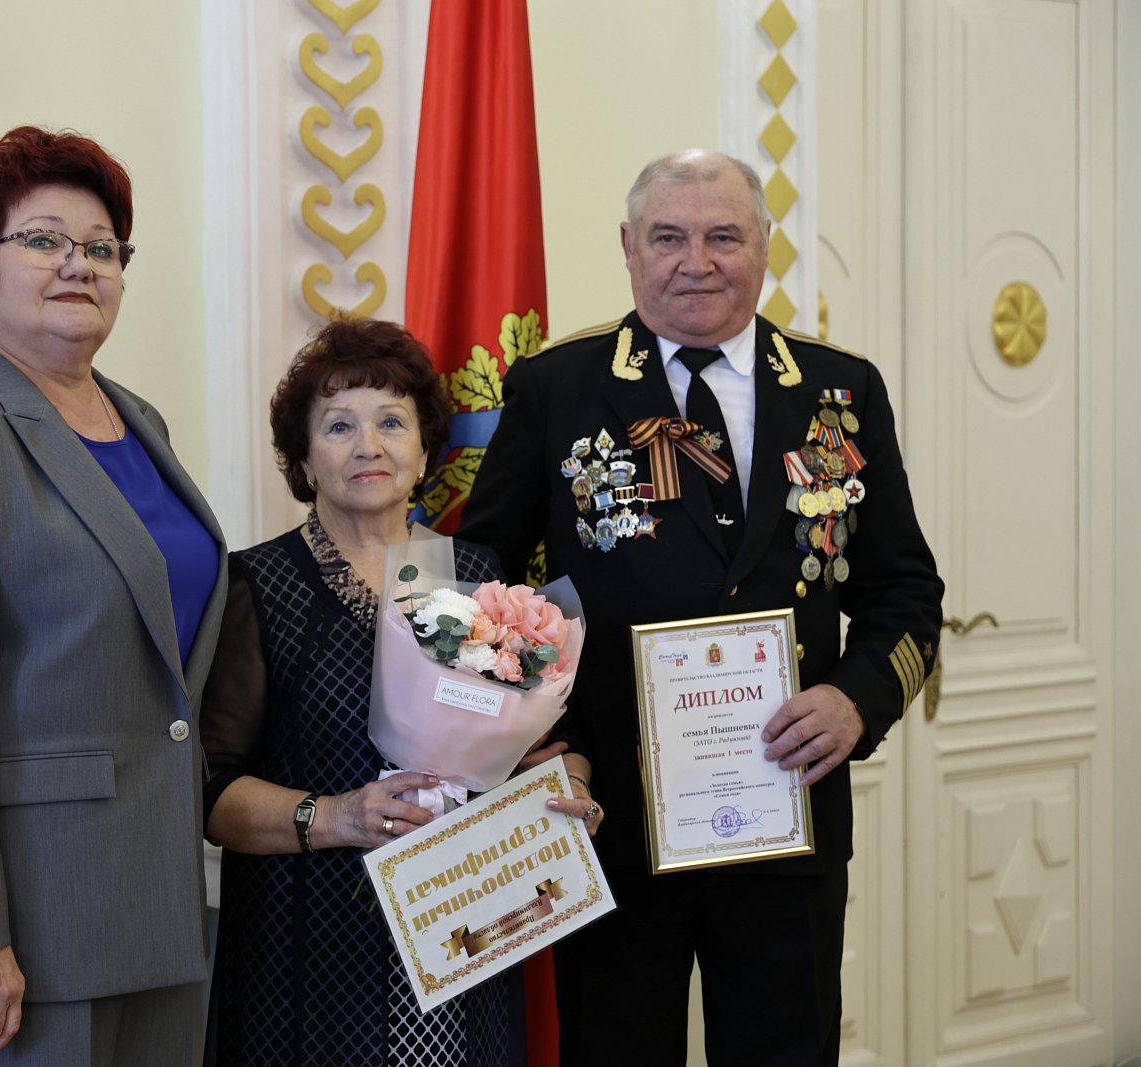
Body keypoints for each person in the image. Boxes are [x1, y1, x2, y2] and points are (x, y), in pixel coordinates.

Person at [460, 149, 944, 1066]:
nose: (697, 262)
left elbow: (906, 593)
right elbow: (483, 584)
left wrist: (858, 699)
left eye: (724, 236)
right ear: (628, 247)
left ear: (764, 244)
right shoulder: (558, 389)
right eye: (668, 238)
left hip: (787, 820)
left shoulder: (840, 390)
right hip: (608, 818)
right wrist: (532, 738)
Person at [0, 126, 226, 1065]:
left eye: (102, 247)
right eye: (44, 241)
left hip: (155, 898)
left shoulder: (141, 421)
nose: (79, 264)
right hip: (20, 931)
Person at [198, 317, 599, 1066]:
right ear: (304, 459)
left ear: (423, 451)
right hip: (312, 954)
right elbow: (212, 791)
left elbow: (530, 747)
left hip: (468, 932)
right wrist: (338, 816)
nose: (368, 446)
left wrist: (569, 785)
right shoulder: (258, 584)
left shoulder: (480, 576)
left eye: (391, 422)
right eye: (338, 425)